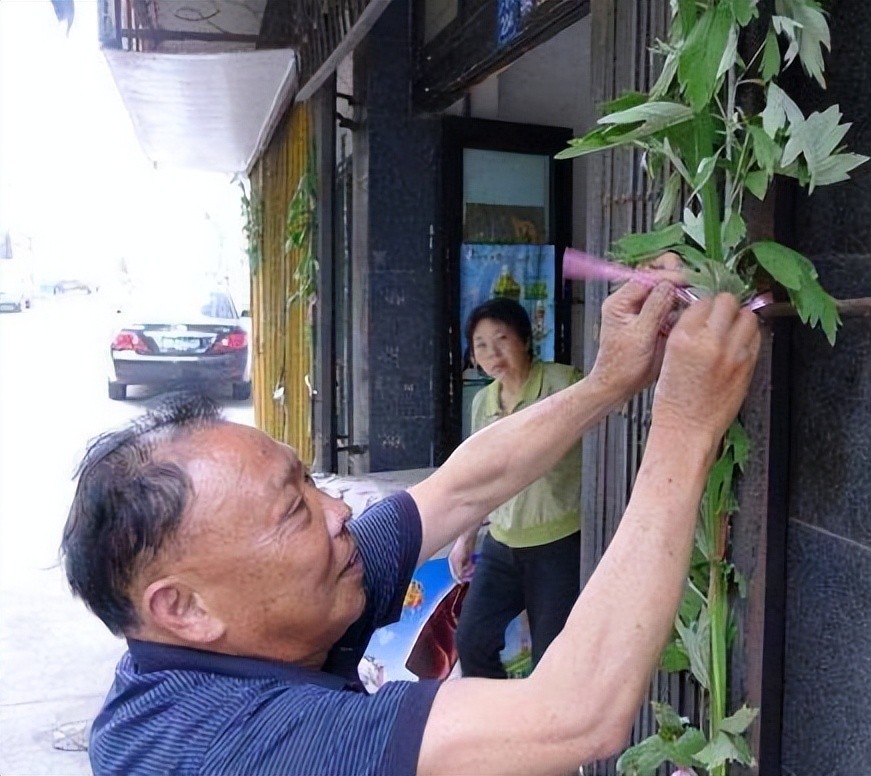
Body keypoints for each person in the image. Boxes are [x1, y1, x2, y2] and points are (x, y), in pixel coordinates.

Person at [62, 272, 761, 776]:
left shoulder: (280, 602)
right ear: (183, 607)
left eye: (312, 483)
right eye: (292, 509)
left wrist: (610, 381)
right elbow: (576, 712)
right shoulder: (228, 746)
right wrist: (686, 425)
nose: (339, 511)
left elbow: (461, 489)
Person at [449, 297, 582, 679]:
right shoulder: (482, 402)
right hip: (502, 546)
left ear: (525, 339)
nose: (492, 353)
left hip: (558, 545)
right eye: (481, 345)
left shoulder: (563, 382)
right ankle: (499, 724)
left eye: (502, 339)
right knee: (472, 640)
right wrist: (466, 538)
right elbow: (480, 476)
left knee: (552, 658)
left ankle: (546, 735)